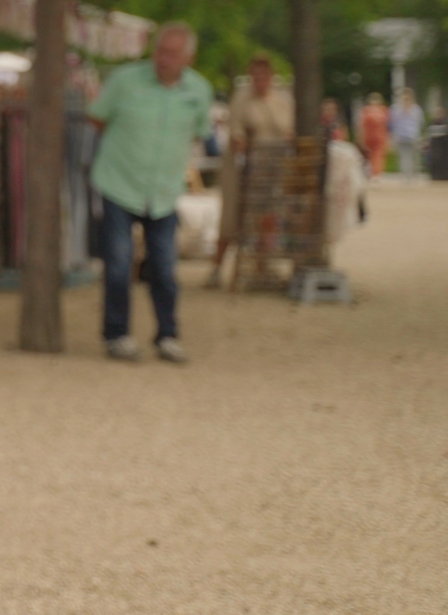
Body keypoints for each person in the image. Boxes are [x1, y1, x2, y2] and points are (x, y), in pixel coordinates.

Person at [88, 22, 213, 363]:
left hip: (163, 191)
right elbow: (98, 118)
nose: (165, 59)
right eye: (161, 51)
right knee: (117, 263)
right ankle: (117, 334)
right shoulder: (125, 81)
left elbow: (200, 131)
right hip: (119, 184)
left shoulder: (199, 91)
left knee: (164, 267)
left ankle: (167, 335)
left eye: (173, 53)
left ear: (189, 57)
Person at [216, 53, 294, 264]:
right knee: (231, 217)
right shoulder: (241, 99)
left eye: (264, 74)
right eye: (256, 74)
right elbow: (236, 132)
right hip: (245, 165)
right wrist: (242, 146)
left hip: (273, 165)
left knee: (269, 215)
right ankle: (218, 265)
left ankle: (262, 263)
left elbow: (289, 131)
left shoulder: (281, 100)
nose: (260, 79)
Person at [391, 87, 425, 179]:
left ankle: (413, 174)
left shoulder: (416, 110)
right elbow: (393, 124)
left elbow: (420, 123)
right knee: (404, 157)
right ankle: (406, 175)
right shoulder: (396, 109)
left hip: (413, 136)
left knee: (415, 157)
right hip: (401, 136)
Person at [359, 91, 390, 176]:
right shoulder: (368, 110)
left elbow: (387, 125)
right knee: (371, 155)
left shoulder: (383, 110)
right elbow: (362, 125)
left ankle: (376, 172)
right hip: (370, 136)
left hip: (378, 136)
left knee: (378, 155)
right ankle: (373, 172)